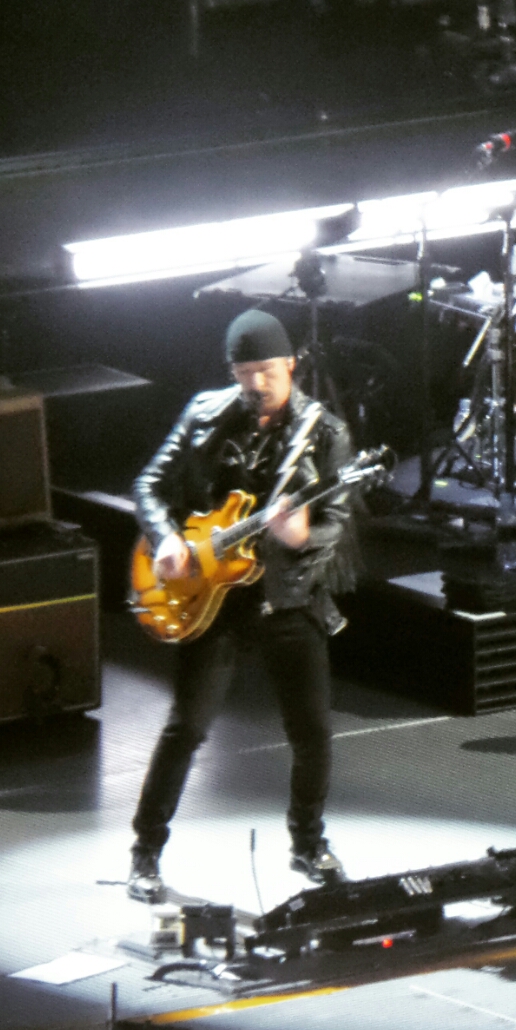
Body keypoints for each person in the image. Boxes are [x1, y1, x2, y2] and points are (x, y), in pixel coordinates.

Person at [126, 310, 356, 903]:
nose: (257, 383)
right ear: (232, 371)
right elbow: (149, 484)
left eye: (267, 371)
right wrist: (166, 538)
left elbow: (338, 520)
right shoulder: (204, 413)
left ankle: (308, 844)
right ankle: (145, 852)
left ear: (291, 366)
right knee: (186, 728)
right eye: (245, 371)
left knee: (312, 733)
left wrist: (300, 535)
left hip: (288, 596)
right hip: (214, 598)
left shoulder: (323, 432)